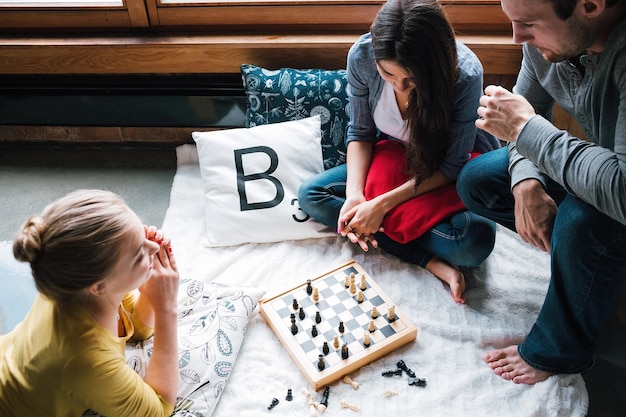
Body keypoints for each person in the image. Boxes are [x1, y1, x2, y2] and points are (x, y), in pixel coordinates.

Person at [457, 0, 626, 384]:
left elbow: (622, 189)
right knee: (477, 180)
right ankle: (582, 265)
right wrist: (525, 184)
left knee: (580, 220)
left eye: (529, 23)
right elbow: (526, 109)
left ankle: (557, 351)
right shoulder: (545, 44)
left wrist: (524, 129)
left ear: (590, 5)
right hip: (607, 169)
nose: (518, 38)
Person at [298, 0, 499, 303]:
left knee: (472, 245)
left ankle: (389, 226)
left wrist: (380, 206)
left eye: (411, 79)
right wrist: (356, 196)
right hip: (394, 156)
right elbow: (360, 133)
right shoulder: (363, 56)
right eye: (389, 75)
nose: (401, 87)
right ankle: (429, 261)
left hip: (451, 170)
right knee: (312, 195)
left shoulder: (465, 75)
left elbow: (452, 164)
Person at [0, 189, 180, 416]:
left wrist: (149, 289)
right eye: (138, 254)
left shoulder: (73, 281)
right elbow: (160, 409)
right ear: (99, 287)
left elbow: (136, 328)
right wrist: (166, 308)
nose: (153, 248)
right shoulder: (87, 360)